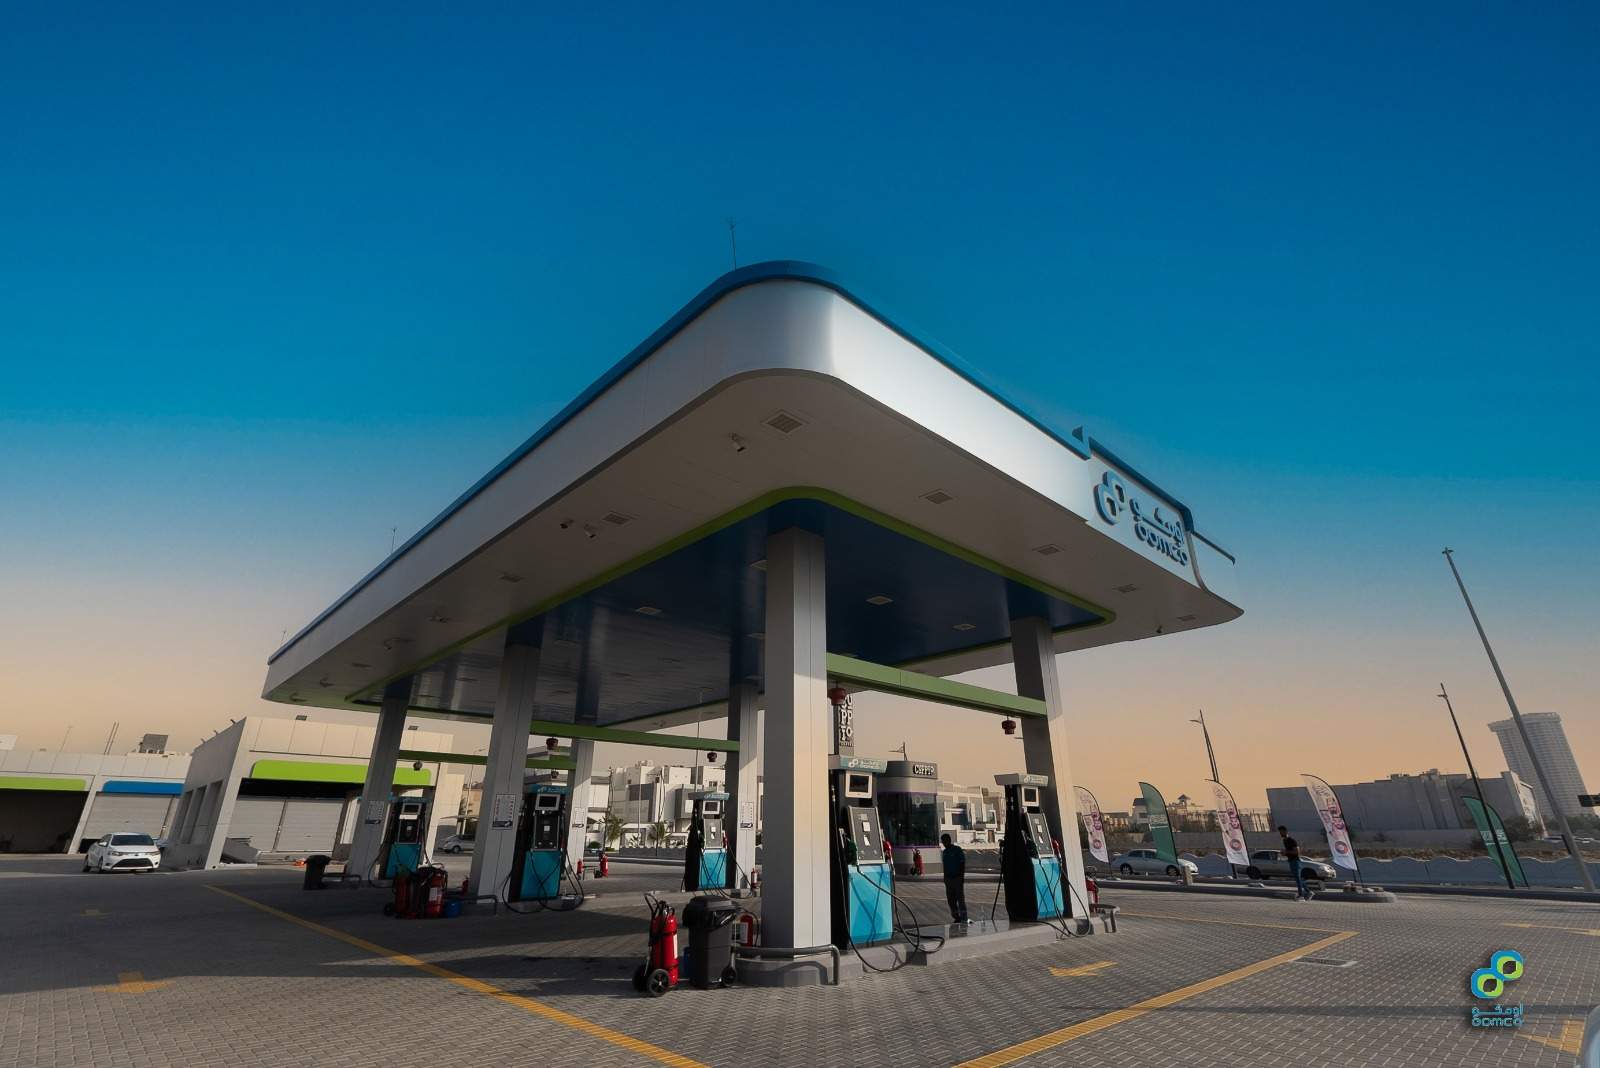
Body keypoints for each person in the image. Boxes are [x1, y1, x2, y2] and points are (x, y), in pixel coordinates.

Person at [940, 833, 968, 923]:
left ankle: (964, 917)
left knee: (960, 899)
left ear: (949, 840)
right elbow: (945, 866)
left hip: (957, 878)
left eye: (945, 841)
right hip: (948, 879)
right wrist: (945, 878)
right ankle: (956, 916)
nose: (944, 843)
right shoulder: (945, 852)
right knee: (951, 900)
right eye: (943, 842)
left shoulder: (957, 850)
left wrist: (961, 877)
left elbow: (962, 863)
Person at [1278, 825, 1311, 900]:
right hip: (1291, 861)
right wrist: (1284, 853)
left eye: (1281, 832)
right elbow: (1289, 852)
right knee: (1297, 878)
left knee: (1298, 878)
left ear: (1285, 831)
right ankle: (1308, 892)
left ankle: (1301, 895)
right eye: (1279, 832)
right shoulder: (1284, 841)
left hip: (1296, 861)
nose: (1280, 833)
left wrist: (1286, 852)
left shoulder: (1292, 840)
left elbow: (1297, 852)